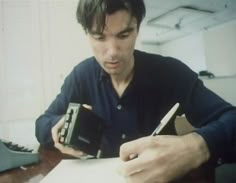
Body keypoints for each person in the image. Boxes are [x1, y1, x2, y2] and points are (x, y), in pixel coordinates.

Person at [35, 0, 236, 182]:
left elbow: (232, 118)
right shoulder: (81, 76)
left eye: (124, 35)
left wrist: (197, 147)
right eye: (99, 36)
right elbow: (42, 123)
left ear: (137, 29)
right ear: (87, 34)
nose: (112, 51)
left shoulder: (171, 72)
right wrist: (59, 126)